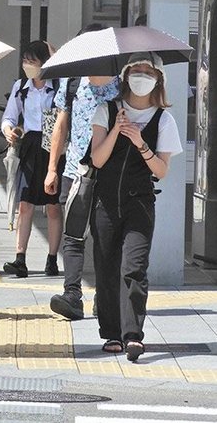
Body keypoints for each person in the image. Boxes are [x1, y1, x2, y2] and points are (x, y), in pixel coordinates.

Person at [90, 53, 182, 361]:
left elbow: (162, 171)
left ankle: (132, 335)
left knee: (133, 268)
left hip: (139, 202)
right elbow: (98, 160)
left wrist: (140, 142)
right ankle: (111, 332)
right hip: (105, 201)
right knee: (106, 269)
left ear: (158, 79)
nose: (142, 75)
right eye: (136, 70)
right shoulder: (107, 110)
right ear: (126, 75)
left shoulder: (163, 119)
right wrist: (118, 129)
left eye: (148, 71)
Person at [44, 24, 119, 320]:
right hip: (75, 169)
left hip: (111, 172)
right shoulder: (72, 79)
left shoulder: (122, 82)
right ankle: (72, 294)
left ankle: (106, 295)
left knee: (106, 236)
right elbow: (60, 124)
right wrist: (52, 168)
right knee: (73, 235)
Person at [0, 40, 63, 278]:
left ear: (45, 64)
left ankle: (52, 259)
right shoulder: (21, 87)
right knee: (24, 204)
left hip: (52, 146)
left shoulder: (58, 87)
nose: (27, 65)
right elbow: (9, 117)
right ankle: (20, 258)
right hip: (28, 145)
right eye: (25, 61)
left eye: (32, 61)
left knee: (53, 206)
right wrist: (9, 130)